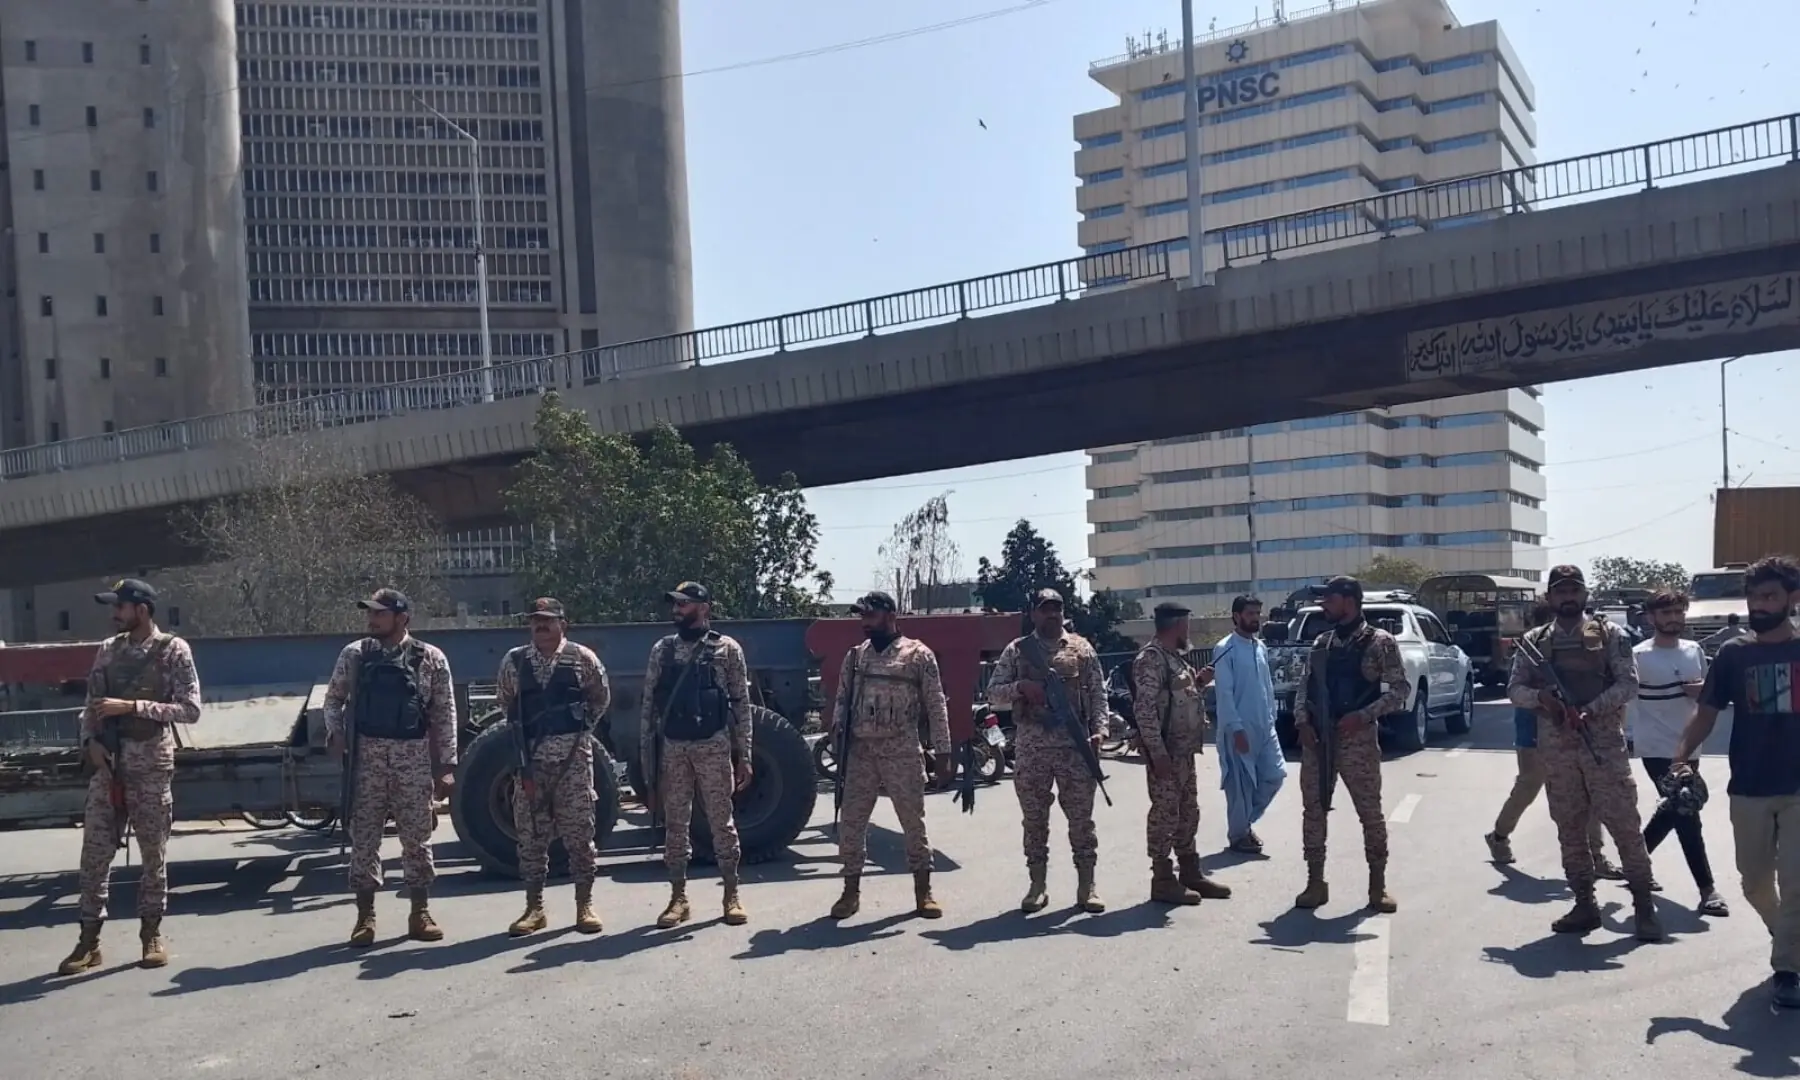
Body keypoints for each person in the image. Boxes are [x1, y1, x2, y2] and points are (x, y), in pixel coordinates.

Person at [1669, 554, 1800, 1007]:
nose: (1759, 605)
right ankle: (1789, 939)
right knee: (1754, 883)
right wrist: (1681, 759)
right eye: (1753, 597)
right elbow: (1705, 714)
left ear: (1792, 598)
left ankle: (1787, 971)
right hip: (1749, 784)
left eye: (1769, 596)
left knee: (1796, 882)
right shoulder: (1733, 654)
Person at [1508, 565, 1661, 941]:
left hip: (1602, 746)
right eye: (1560, 592)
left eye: (1574, 590)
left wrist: (1591, 709)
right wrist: (1542, 698)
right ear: (1549, 597)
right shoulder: (1534, 641)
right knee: (1570, 830)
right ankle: (1584, 904)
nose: (1568, 597)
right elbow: (1515, 689)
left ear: (1585, 594)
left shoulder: (1610, 635)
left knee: (1625, 827)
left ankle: (1644, 905)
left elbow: (1628, 684)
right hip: (1558, 750)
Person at [57, 579, 202, 975]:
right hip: (108, 768)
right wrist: (89, 742)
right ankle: (89, 941)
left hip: (150, 766)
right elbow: (91, 705)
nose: (113, 614)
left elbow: (190, 709)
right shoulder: (108, 649)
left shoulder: (173, 650)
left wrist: (133, 707)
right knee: (94, 857)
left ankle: (151, 934)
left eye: (119, 607)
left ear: (142, 609)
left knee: (153, 856)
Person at [323, 589, 457, 947]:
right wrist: (336, 733)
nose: (372, 620)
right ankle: (365, 917)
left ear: (402, 618)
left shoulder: (430, 658)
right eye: (370, 613)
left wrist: (447, 765)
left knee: (417, 839)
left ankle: (420, 913)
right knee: (364, 839)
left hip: (412, 760)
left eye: (380, 614)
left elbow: (444, 713)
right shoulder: (355, 654)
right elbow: (333, 699)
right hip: (366, 761)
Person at [827, 591, 954, 920]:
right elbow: (842, 699)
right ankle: (850, 891)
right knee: (851, 823)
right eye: (862, 616)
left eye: (870, 615)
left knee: (912, 823)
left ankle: (923, 891)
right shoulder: (856, 657)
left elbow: (936, 705)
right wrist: (837, 730)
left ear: (891, 615)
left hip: (902, 750)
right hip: (861, 752)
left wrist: (943, 752)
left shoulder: (918, 655)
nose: (864, 622)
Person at [987, 589, 1109, 914]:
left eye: (1057, 609)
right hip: (1032, 749)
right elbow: (993, 693)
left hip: (1075, 749)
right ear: (1033, 614)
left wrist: (1100, 731)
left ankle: (1087, 885)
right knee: (1034, 821)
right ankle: (1037, 885)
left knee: (1081, 820)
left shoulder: (1082, 649)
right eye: (1045, 609)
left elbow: (1098, 695)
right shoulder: (1017, 650)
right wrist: (1020, 688)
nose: (1052, 614)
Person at [496, 598, 613, 937]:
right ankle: (534, 908)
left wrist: (579, 732)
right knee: (530, 837)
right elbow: (507, 703)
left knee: (580, 835)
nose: (541, 626)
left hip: (573, 763)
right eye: (535, 620)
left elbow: (600, 699)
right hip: (531, 764)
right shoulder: (514, 661)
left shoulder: (582, 658)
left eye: (548, 620)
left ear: (563, 623)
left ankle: (584, 905)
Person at [641, 582, 753, 929]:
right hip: (674, 748)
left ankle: (731, 894)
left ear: (704, 608)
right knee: (676, 825)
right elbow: (648, 708)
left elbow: (741, 704)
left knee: (722, 822)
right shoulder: (662, 650)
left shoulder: (726, 649)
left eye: (684, 604)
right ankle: (678, 898)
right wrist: (647, 765)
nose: (677, 610)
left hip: (713, 746)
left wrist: (745, 754)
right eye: (675, 604)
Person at [1292, 576, 1406, 914]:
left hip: (1358, 742)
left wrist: (1365, 715)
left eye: (1330, 600)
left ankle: (1377, 885)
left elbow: (1400, 690)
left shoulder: (1380, 642)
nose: (1325, 606)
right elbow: (1304, 686)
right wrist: (1302, 722)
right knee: (1313, 811)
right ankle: (1315, 882)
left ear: (1350, 600)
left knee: (1370, 814)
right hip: (1319, 739)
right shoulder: (1322, 642)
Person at [1486, 602, 1620, 877]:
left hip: (1577, 722)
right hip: (1535, 725)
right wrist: (1542, 696)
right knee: (1529, 784)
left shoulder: (1588, 642)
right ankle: (1499, 835)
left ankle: (1596, 855)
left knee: (1588, 790)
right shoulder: (1530, 648)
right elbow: (1516, 689)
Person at [1630, 589, 1726, 916]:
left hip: (1689, 746)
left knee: (1675, 808)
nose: (1673, 618)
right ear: (1651, 618)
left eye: (1678, 612)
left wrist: (1701, 691)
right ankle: (1708, 889)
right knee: (1686, 810)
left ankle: (1635, 860)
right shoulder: (1639, 656)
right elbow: (1625, 699)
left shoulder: (1693, 651)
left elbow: (1708, 695)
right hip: (1656, 746)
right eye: (1666, 613)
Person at [1132, 601, 1232, 905]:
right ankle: (1162, 879)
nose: (1188, 631)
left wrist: (1199, 683)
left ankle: (1189, 872)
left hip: (1184, 752)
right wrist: (1157, 752)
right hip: (1166, 752)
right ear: (1176, 625)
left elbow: (1177, 698)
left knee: (1188, 812)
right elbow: (1144, 709)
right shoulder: (1151, 659)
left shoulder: (1175, 659)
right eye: (1186, 625)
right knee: (1165, 814)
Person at [1211, 595, 1287, 856]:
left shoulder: (1260, 647)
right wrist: (1236, 729)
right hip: (1239, 729)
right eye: (1250, 613)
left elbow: (1266, 686)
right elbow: (1224, 693)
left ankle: (1243, 823)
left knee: (1275, 775)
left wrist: (1272, 718)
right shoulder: (1225, 649)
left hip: (1265, 726)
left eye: (1257, 613)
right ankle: (1239, 835)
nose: (1256, 618)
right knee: (1240, 785)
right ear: (1237, 616)